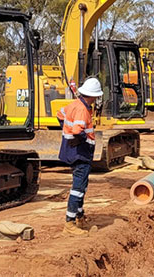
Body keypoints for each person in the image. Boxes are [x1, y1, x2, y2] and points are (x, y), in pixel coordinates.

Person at [58, 77, 102, 235]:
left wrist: (67, 134)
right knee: (78, 188)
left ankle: (79, 216)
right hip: (80, 152)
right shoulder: (83, 110)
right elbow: (77, 130)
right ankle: (69, 223)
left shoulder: (74, 104)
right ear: (94, 96)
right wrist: (79, 138)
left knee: (81, 185)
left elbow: (60, 114)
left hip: (71, 150)